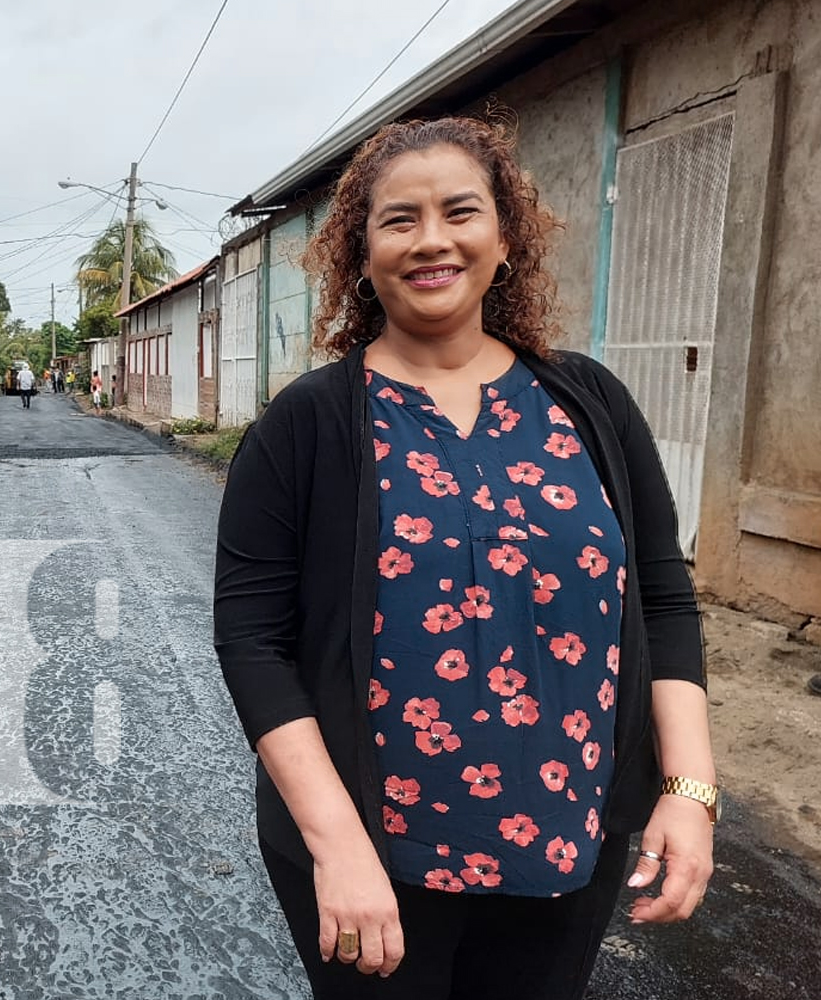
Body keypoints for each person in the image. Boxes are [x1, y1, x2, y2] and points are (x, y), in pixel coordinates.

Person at [212, 116, 716, 1000]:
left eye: (460, 211)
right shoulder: (310, 424)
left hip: (569, 839)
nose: (431, 240)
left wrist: (689, 792)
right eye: (398, 219)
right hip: (375, 856)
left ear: (504, 237)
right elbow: (252, 639)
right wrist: (338, 848)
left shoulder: (591, 403)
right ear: (360, 254)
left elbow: (663, 601)